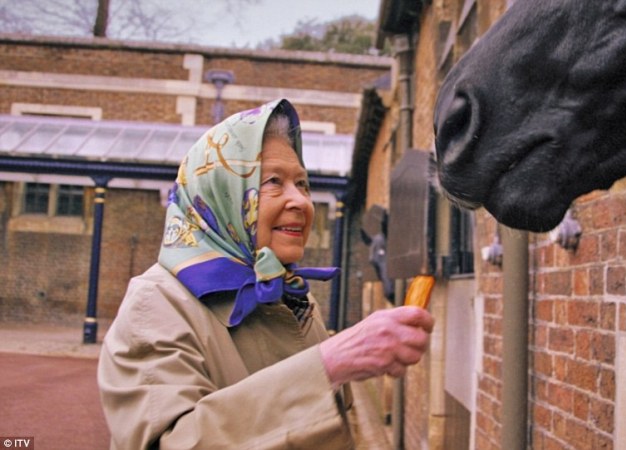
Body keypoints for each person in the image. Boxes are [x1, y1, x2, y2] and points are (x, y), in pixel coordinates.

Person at [97, 99, 434, 449]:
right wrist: (328, 365)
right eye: (274, 182)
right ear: (221, 195)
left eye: (302, 184)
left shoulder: (288, 294)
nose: (302, 202)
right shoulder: (156, 303)